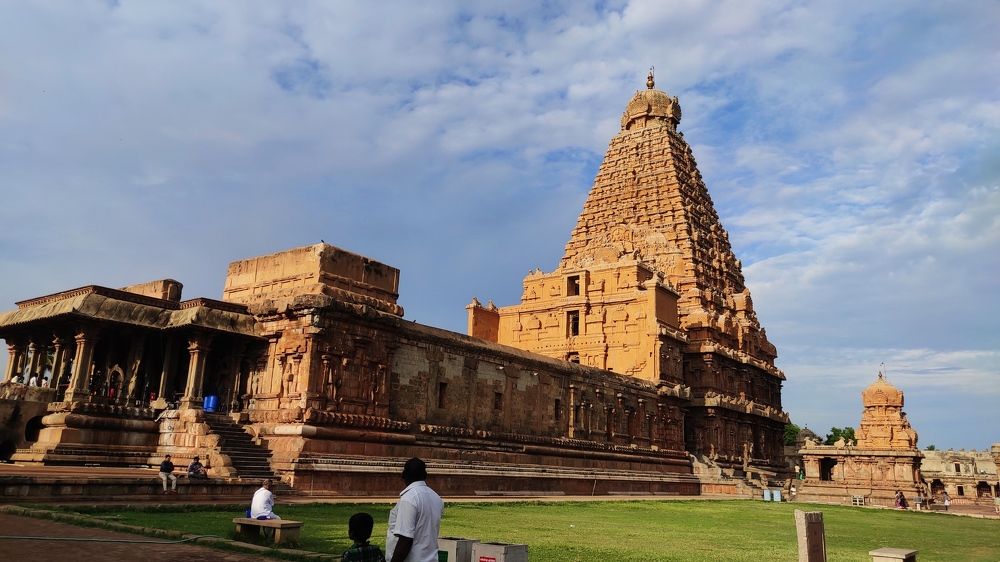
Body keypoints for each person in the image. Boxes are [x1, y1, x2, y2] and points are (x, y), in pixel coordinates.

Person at [386, 457, 444, 562]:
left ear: (403, 475)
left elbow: (405, 539)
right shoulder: (436, 498)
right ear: (425, 476)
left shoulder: (409, 498)